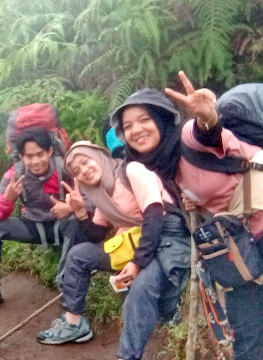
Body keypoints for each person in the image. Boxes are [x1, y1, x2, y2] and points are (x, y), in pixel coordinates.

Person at [110, 72, 263, 360]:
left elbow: (207, 132)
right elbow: (217, 185)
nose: (136, 130)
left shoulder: (186, 138)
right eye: (127, 126)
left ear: (162, 119)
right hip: (244, 246)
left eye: (144, 119)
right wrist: (196, 203)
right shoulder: (166, 168)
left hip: (255, 231)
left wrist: (207, 117)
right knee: (246, 338)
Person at [37, 141, 190, 360]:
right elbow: (96, 235)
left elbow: (155, 215)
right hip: (133, 242)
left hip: (168, 237)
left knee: (139, 290)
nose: (84, 170)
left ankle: (128, 356)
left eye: (85, 161)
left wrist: (137, 262)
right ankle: (73, 324)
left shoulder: (131, 171)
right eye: (77, 171)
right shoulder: (101, 194)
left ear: (98, 156)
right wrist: (80, 212)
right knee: (79, 255)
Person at [0, 126, 82, 315]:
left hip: (64, 225)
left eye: (40, 154)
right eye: (29, 156)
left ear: (50, 152)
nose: (35, 161)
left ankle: (67, 286)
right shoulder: (14, 175)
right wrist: (8, 198)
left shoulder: (66, 169)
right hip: (33, 227)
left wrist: (71, 207)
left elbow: (91, 200)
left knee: (75, 221)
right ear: (21, 156)